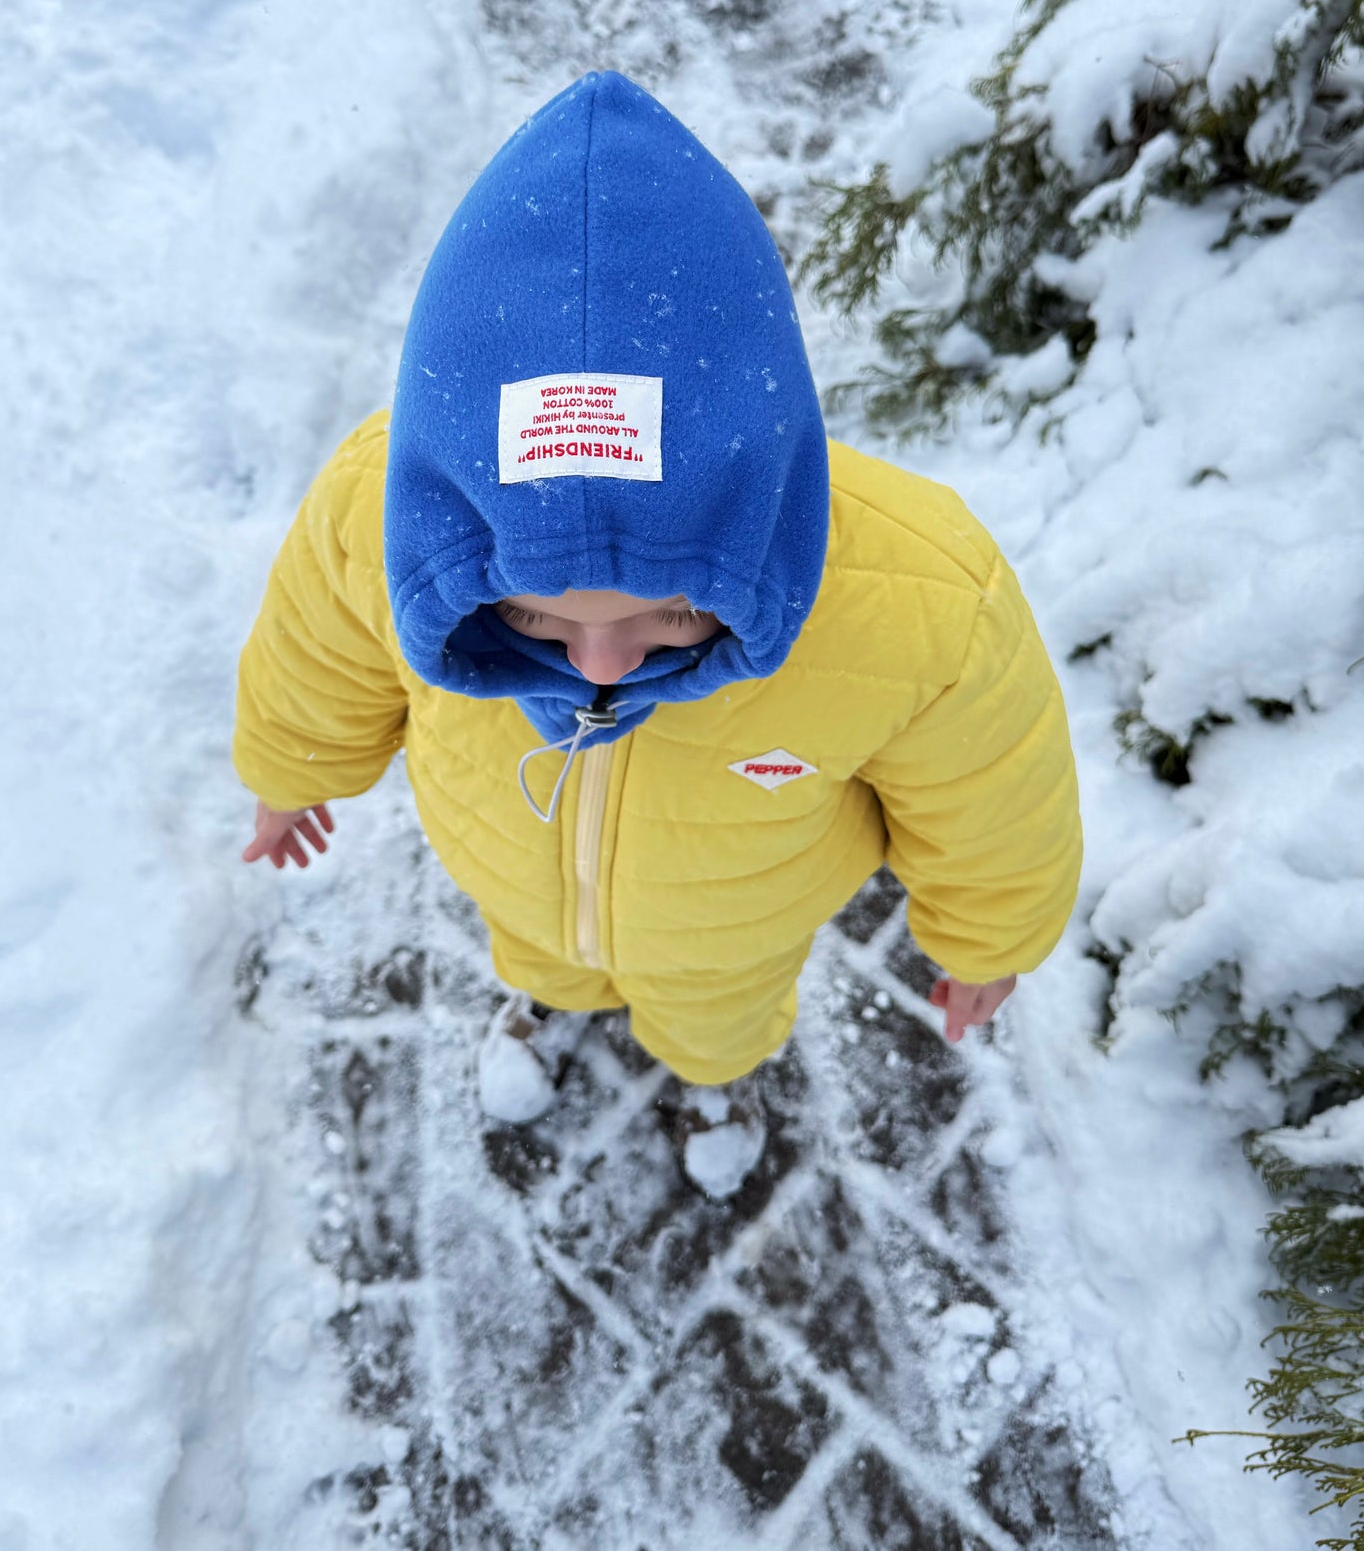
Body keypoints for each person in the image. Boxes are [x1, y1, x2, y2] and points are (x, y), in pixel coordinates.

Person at [234, 70, 1082, 1198]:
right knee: (540, 951)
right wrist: (294, 770)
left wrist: (985, 944)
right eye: (532, 615)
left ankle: (712, 1076)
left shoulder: (918, 599)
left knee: (718, 1016)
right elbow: (318, 654)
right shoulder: (374, 510)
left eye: (672, 611)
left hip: (735, 925)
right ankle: (548, 997)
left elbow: (992, 799)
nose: (599, 665)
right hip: (508, 862)